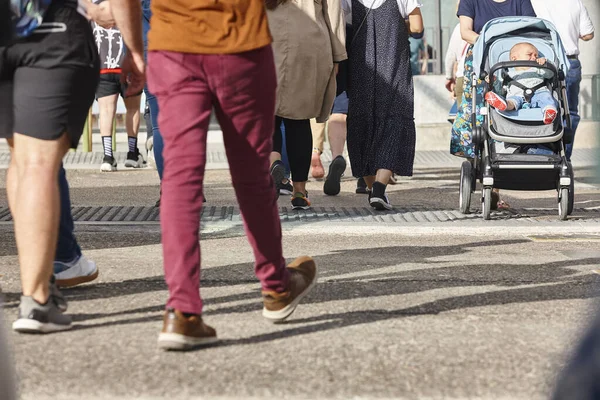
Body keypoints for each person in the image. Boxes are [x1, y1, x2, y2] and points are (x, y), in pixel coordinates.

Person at [147, 0, 318, 350]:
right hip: (240, 43)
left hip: (173, 43)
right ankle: (275, 285)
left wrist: (134, 48)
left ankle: (182, 311)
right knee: (253, 176)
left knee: (180, 180)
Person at [1, 0, 144, 334]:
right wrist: (134, 48)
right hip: (53, 26)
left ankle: (40, 282)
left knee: (20, 161)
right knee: (36, 164)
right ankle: (36, 300)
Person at [451, 0, 536, 210]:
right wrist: (493, 42)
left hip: (512, 62)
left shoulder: (520, 1)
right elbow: (465, 32)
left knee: (502, 116)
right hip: (481, 61)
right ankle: (478, 166)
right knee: (479, 117)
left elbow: (530, 29)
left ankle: (494, 188)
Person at [267, 0, 347, 210]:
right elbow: (333, 10)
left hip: (268, 38)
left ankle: (274, 162)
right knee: (299, 119)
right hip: (309, 43)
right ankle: (299, 191)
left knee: (268, 114)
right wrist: (338, 53)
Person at [345, 0, 424, 211]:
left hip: (361, 67)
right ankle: (379, 188)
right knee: (395, 121)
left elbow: (339, 25)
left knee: (362, 124)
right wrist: (396, 26)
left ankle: (374, 190)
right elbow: (416, 27)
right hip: (394, 65)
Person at [531, 0, 595, 162]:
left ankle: (544, 153)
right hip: (570, 61)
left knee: (542, 106)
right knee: (570, 111)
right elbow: (588, 34)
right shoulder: (576, 3)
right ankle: (565, 157)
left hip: (545, 61)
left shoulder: (535, 3)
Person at [92, 2, 144, 173]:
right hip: (127, 64)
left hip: (103, 66)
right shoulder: (128, 4)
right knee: (133, 109)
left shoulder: (94, 7)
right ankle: (132, 154)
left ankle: (108, 157)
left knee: (106, 111)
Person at [485, 43, 558, 125]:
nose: (534, 58)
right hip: (517, 96)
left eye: (536, 56)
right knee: (512, 101)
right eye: (529, 54)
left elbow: (550, 74)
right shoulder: (509, 75)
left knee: (546, 97)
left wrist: (545, 63)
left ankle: (549, 110)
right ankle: (505, 104)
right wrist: (494, 81)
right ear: (514, 58)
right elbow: (501, 91)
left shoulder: (537, 70)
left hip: (539, 93)